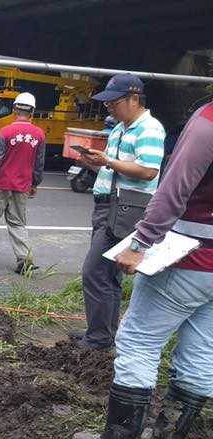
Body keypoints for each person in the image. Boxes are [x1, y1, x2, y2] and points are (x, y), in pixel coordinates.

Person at [71, 102, 213, 439]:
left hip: (190, 258)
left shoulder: (208, 122)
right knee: (201, 351)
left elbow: (173, 189)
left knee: (138, 341)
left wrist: (140, 244)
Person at [72, 74, 166, 350]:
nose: (109, 108)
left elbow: (149, 170)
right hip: (107, 205)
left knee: (95, 272)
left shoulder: (149, 129)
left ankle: (99, 339)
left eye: (113, 102)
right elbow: (114, 170)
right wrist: (94, 163)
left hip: (124, 208)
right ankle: (101, 333)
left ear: (133, 98)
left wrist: (108, 161)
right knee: (108, 275)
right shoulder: (121, 128)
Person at [0, 92, 45, 275]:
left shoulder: (6, 132)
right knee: (18, 224)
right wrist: (35, 183)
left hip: (1, 184)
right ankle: (24, 259)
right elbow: (39, 163)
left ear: (14, 109)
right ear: (32, 111)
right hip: (22, 186)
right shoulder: (39, 134)